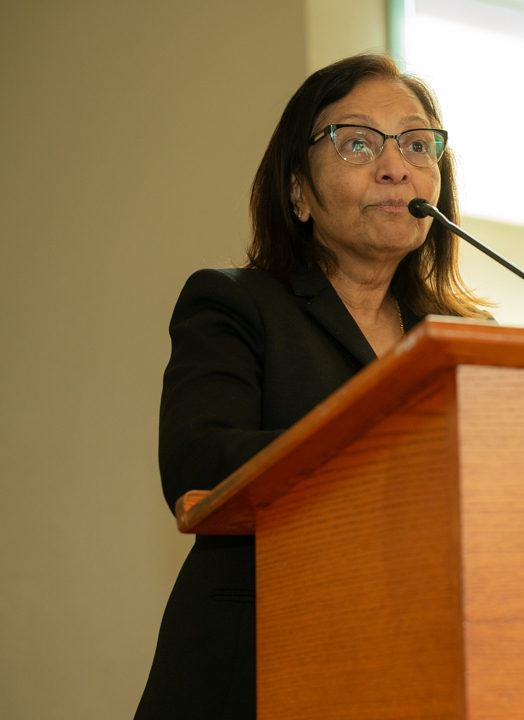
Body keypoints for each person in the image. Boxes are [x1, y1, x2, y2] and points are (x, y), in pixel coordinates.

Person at [135, 53, 488, 720]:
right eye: (358, 142)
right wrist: (390, 449)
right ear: (298, 191)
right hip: (256, 664)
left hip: (415, 666)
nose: (395, 166)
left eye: (417, 144)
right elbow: (198, 460)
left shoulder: (465, 344)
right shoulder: (235, 304)